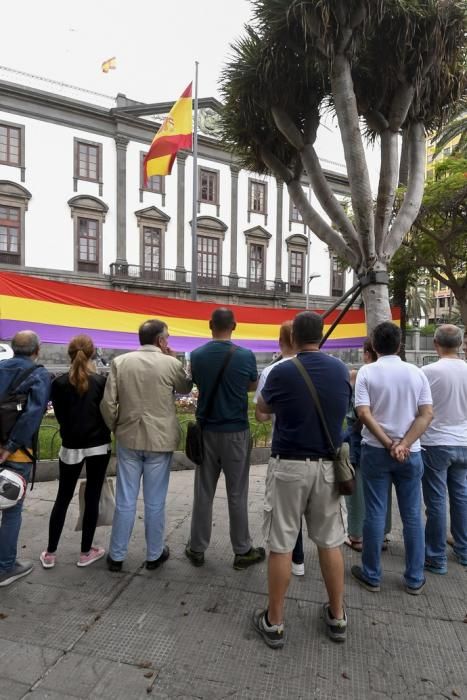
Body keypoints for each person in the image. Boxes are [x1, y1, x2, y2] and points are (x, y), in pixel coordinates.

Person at [253, 311, 351, 648]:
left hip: (289, 467)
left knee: (280, 544)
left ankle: (275, 621)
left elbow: (262, 410)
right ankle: (337, 616)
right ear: (321, 336)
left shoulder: (281, 371)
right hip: (327, 469)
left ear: (293, 339)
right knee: (330, 541)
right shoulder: (341, 371)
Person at [101, 319, 192, 571]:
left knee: (125, 499)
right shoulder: (170, 363)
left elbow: (108, 404)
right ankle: (154, 554)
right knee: (155, 501)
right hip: (159, 441)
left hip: (129, 438)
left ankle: (116, 555)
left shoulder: (120, 362)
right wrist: (176, 359)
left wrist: (116, 427)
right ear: (161, 341)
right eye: (168, 338)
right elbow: (186, 387)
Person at [352, 321, 432, 595]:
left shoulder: (366, 372)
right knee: (412, 515)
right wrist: (405, 444)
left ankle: (372, 574)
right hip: (411, 453)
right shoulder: (416, 374)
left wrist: (388, 443)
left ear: (374, 345)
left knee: (374, 511)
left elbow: (363, 413)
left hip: (376, 450)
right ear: (399, 344)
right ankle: (414, 577)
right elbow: (426, 414)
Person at [185, 308, 265, 570]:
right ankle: (242, 550)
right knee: (237, 492)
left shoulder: (197, 356)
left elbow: (196, 381)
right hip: (236, 432)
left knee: (203, 491)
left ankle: (196, 548)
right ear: (234, 326)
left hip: (207, 432)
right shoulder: (245, 356)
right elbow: (252, 386)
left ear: (210, 325)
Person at [40, 335, 111, 569]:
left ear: (69, 354)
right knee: (92, 497)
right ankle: (85, 552)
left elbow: (60, 415)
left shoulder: (58, 384)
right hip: (99, 446)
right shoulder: (101, 382)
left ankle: (50, 552)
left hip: (70, 446)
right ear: (91, 353)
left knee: (63, 497)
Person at [254, 321, 305, 577]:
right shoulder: (321, 366)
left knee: (284, 511)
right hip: (317, 449)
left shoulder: (272, 371)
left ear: (280, 340)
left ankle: (293, 559)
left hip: (283, 446)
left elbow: (261, 415)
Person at [0, 331, 50, 586]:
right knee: (11, 510)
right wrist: (9, 447)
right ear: (37, 350)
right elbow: (32, 416)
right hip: (18, 453)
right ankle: (5, 567)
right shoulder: (38, 374)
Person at [421, 325, 467, 573]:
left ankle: (436, 557)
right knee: (461, 496)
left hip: (435, 441)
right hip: (464, 441)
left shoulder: (428, 372)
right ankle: (464, 549)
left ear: (435, 343)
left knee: (436, 500)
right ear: (459, 345)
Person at [344, 339, 392, 552]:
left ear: (366, 353)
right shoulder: (401, 373)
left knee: (357, 488)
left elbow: (357, 412)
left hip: (362, 438)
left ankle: (356, 535)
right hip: (391, 440)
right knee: (384, 489)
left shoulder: (363, 374)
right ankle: (382, 534)